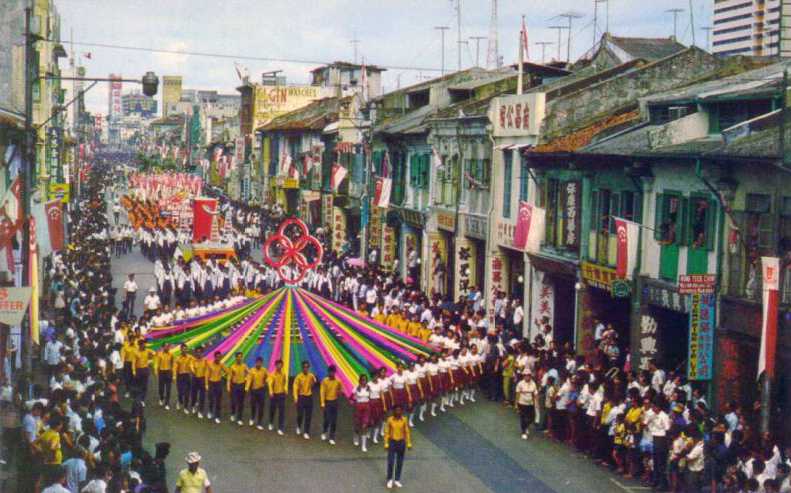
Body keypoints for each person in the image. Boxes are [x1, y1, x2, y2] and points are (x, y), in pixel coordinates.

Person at [384, 404, 412, 489]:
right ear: (394, 411)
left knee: (399, 462)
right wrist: (386, 443)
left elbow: (407, 431)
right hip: (392, 442)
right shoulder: (390, 420)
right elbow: (386, 432)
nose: (398, 412)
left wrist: (409, 443)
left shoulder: (404, 420)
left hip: (401, 442)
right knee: (391, 462)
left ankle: (397, 479)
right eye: (396, 410)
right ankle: (389, 479)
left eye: (400, 410)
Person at [293, 360, 317, 439]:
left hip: (309, 397)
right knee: (300, 414)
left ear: (309, 368)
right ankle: (299, 426)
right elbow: (295, 387)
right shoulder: (299, 377)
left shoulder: (311, 375)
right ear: (302, 368)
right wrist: (296, 398)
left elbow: (314, 382)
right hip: (301, 397)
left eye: (307, 367)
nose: (306, 369)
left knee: (308, 415)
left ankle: (306, 431)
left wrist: (313, 383)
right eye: (304, 367)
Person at [320, 365, 342, 445]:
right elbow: (322, 392)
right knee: (327, 419)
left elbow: (340, 389)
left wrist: (339, 393)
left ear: (335, 373)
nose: (331, 373)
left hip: (334, 402)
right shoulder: (325, 381)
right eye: (330, 372)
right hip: (327, 402)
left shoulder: (338, 381)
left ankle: (332, 437)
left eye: (333, 372)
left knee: (334, 421)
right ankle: (324, 432)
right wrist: (322, 403)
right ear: (328, 372)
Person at [246, 356, 268, 430]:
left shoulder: (264, 370)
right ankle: (252, 418)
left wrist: (264, 384)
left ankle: (259, 423)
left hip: (261, 391)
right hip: (254, 391)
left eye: (260, 362)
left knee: (261, 407)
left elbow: (266, 377)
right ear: (256, 363)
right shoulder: (252, 370)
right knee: (253, 406)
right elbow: (249, 379)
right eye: (258, 362)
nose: (259, 364)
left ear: (262, 363)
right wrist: (246, 388)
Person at [515, 371, 538, 440]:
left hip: (530, 403)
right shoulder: (520, 384)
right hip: (522, 403)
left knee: (532, 417)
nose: (527, 377)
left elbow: (535, 394)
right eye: (525, 375)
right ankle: (523, 432)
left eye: (528, 375)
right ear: (523, 376)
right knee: (523, 418)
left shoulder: (533, 383)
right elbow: (517, 394)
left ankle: (526, 426)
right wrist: (516, 404)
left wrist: (536, 403)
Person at [227, 352, 248, 425]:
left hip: (242, 385)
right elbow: (229, 377)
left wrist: (246, 380)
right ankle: (233, 413)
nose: (239, 358)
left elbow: (249, 374)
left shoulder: (244, 366)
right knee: (233, 401)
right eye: (238, 357)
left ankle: (239, 418)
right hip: (234, 385)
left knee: (241, 402)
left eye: (241, 357)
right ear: (235, 358)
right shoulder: (232, 367)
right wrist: (228, 386)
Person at [205, 351, 225, 424]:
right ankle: (210, 411)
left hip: (218, 384)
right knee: (211, 399)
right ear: (214, 357)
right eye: (217, 357)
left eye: (220, 357)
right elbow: (207, 375)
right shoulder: (210, 364)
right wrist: (206, 385)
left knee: (218, 401)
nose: (218, 358)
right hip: (211, 383)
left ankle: (217, 416)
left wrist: (223, 375)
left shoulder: (221, 365)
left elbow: (227, 371)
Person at [268, 359, 287, 435]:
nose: (279, 366)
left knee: (281, 411)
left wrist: (284, 389)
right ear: (275, 365)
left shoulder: (283, 374)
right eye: (278, 365)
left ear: (282, 366)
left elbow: (284, 382)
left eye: (280, 365)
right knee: (272, 410)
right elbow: (270, 383)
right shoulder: (272, 374)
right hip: (274, 394)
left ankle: (280, 428)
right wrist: (271, 392)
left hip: (281, 394)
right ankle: (271, 422)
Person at [155, 344, 174, 410]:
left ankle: (167, 403)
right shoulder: (160, 354)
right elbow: (157, 363)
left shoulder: (171, 354)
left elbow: (172, 363)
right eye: (166, 346)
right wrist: (156, 372)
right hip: (161, 372)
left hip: (168, 372)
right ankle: (161, 398)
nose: (167, 347)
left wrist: (172, 372)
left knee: (168, 389)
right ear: (163, 347)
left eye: (168, 346)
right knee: (161, 388)